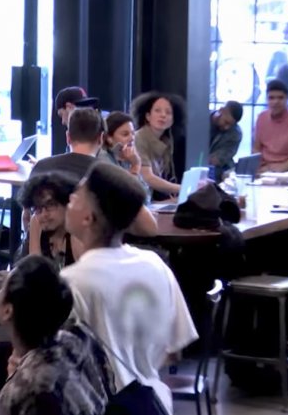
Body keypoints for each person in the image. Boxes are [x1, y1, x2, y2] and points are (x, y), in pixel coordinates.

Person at [62, 163, 198, 415]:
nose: (69, 199)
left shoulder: (72, 281)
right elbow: (174, 351)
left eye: (75, 197)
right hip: (154, 403)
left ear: (88, 218)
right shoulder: (156, 265)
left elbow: (56, 363)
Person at [0, 255, 112, 415]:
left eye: (2, 288)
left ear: (7, 311)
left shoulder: (22, 389)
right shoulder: (77, 340)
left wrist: (16, 378)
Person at [31, 107, 157, 238]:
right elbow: (148, 227)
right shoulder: (107, 174)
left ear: (68, 137)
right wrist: (135, 167)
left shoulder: (40, 167)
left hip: (44, 248)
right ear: (101, 138)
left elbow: (28, 217)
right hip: (94, 246)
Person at [17, 172, 83, 268]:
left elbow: (86, 275)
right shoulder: (36, 221)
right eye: (38, 208)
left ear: (66, 204)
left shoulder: (77, 232)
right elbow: (35, 269)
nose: (44, 214)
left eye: (50, 205)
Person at [132, 92, 183, 200]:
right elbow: (148, 178)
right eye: (157, 110)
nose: (163, 115)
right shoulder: (138, 138)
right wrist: (183, 188)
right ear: (148, 116)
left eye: (168, 112)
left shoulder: (166, 141)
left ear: (173, 120)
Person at [253, 79, 288, 173]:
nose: (275, 102)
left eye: (280, 98)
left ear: (287, 99)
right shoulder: (261, 118)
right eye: (271, 98)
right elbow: (256, 149)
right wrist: (260, 168)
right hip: (264, 171)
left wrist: (272, 172)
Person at [209, 101, 244, 181]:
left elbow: (217, 160)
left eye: (230, 125)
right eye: (226, 122)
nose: (227, 127)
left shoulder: (235, 133)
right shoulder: (200, 119)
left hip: (219, 170)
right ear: (221, 110)